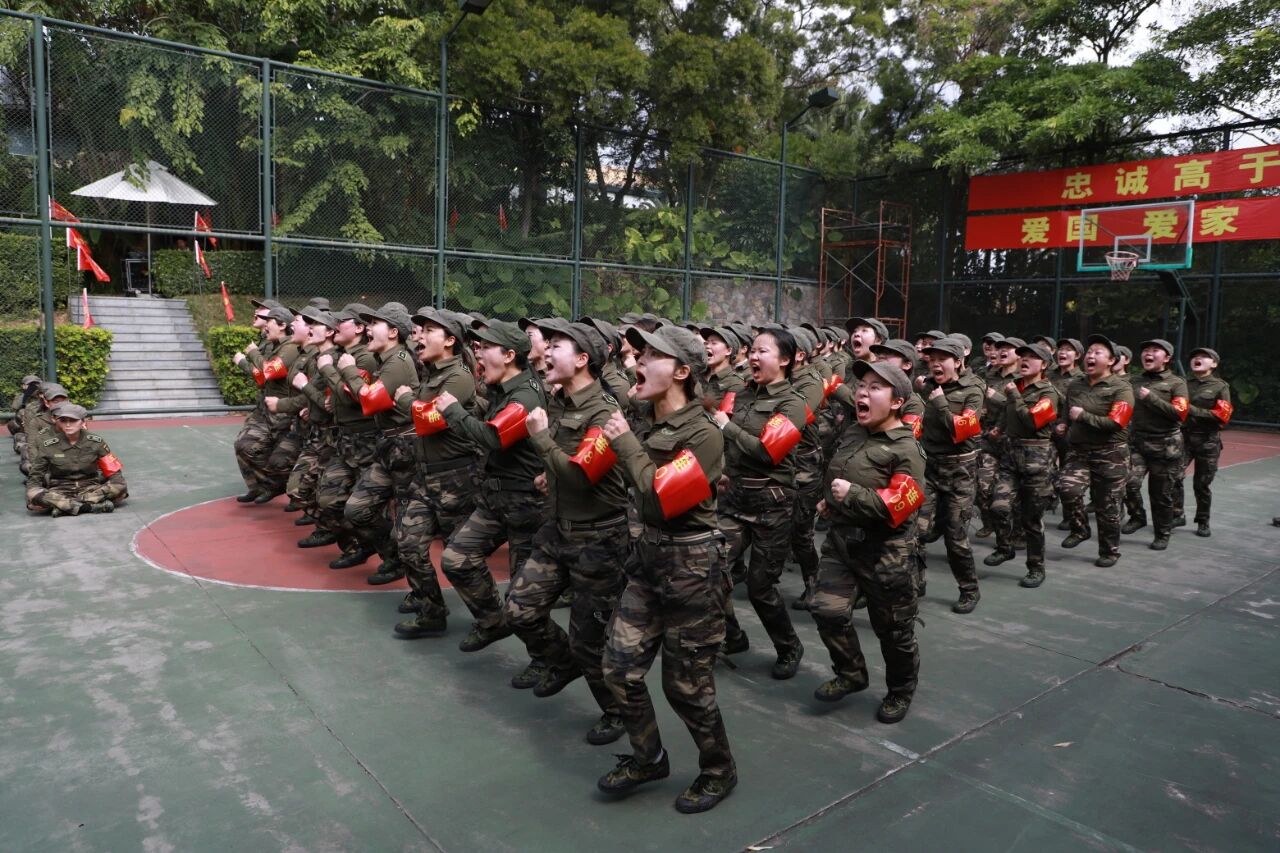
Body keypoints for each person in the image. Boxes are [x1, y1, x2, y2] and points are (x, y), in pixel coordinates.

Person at [598, 324, 736, 813]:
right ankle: (648, 757)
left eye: (651, 356)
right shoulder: (647, 422)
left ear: (681, 371)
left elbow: (661, 497)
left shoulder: (703, 433)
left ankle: (718, 769)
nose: (638, 362)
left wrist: (623, 444)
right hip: (648, 560)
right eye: (639, 355)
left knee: (685, 685)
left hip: (692, 567)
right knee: (619, 668)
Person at [506, 318, 631, 743]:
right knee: (519, 610)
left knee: (589, 641)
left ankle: (616, 711)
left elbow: (580, 475)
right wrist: (550, 474)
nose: (545, 351)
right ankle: (561, 662)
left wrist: (541, 440)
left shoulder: (605, 411)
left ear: (582, 359)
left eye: (556, 345)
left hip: (599, 540)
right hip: (557, 529)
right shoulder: (557, 401)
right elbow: (567, 464)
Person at [811, 360, 926, 723]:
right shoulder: (854, 433)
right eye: (862, 385)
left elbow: (899, 507)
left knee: (893, 630)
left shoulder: (906, 448)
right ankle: (851, 673)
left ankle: (900, 690)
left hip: (886, 553)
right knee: (827, 610)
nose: (862, 392)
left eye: (875, 387)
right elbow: (840, 473)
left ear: (897, 402)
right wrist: (830, 502)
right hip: (842, 542)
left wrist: (852, 495)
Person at [433, 319, 548, 654]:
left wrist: (453, 411)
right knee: (456, 558)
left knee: (522, 600)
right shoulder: (503, 388)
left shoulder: (525, 395)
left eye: (486, 348)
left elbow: (495, 437)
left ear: (509, 355)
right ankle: (492, 621)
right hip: (496, 498)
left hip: (524, 503)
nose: (478, 354)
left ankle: (549, 658)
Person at [713, 327, 808, 679]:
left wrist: (727, 427)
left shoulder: (793, 404)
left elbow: (769, 452)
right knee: (711, 572)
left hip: (771, 504)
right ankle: (733, 636)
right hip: (733, 499)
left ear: (785, 360)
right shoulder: (740, 394)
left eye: (762, 351)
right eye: (752, 350)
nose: (753, 356)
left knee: (760, 587)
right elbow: (728, 445)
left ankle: (789, 646)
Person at [385, 307, 483, 637]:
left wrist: (405, 400)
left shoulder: (459, 377)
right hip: (425, 475)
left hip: (455, 478)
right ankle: (431, 611)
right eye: (421, 330)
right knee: (408, 543)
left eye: (429, 331)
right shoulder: (431, 373)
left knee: (460, 558)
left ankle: (491, 618)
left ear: (450, 340)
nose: (420, 336)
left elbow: (431, 420)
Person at [335, 304, 420, 584]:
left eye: (375, 324)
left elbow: (369, 401)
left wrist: (348, 371)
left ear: (394, 332)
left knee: (407, 523)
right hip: (388, 444)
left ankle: (413, 580)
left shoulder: (397, 361)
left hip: (404, 446)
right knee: (357, 508)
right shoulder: (386, 359)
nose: (369, 329)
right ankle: (391, 556)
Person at [985, 342, 1063, 587]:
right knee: (998, 506)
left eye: (1032, 357)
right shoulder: (1015, 385)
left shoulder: (1049, 393)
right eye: (1023, 356)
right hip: (1010, 455)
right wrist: (1000, 428)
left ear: (1045, 364)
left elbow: (1032, 421)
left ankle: (1036, 567)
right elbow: (1008, 414)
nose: (1025, 360)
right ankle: (1005, 547)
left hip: (1036, 459)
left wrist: (1013, 396)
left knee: (1031, 519)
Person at [916, 336, 984, 613]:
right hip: (929, 467)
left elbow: (963, 430)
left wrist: (941, 403)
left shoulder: (973, 389)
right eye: (931, 359)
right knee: (916, 530)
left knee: (955, 538)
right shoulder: (927, 385)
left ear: (957, 361)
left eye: (941, 359)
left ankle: (969, 589)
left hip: (960, 471)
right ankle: (915, 583)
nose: (935, 364)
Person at [314, 304, 381, 569]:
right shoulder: (345, 356)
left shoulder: (364, 359)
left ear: (359, 328)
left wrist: (328, 370)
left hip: (364, 440)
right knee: (328, 498)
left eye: (341, 321)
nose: (335, 326)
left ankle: (388, 553)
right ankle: (359, 545)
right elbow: (340, 395)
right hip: (345, 439)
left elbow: (354, 398)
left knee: (364, 505)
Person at [1059, 335, 1135, 568]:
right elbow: (1067, 411)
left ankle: (1109, 551)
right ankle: (1080, 529)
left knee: (1107, 506)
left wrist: (1083, 416)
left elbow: (1116, 423)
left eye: (1098, 352)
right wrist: (1063, 424)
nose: (1091, 356)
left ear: (1111, 361)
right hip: (1079, 452)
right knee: (1067, 489)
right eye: (1089, 351)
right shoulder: (1076, 384)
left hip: (1111, 454)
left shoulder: (1122, 388)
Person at [1123, 339, 1190, 550]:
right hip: (1137, 443)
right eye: (1145, 350)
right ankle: (1137, 517)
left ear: (1167, 358)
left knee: (1160, 493)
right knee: (1128, 483)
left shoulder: (1177, 383)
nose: (1148, 353)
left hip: (1165, 446)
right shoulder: (1133, 381)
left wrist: (1151, 398)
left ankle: (1162, 533)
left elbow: (1179, 413)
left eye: (1154, 350)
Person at [232, 305, 301, 504]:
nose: (265, 325)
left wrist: (252, 353)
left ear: (282, 325)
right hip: (267, 409)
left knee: (279, 458)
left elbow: (269, 371)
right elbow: (263, 376)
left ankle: (285, 487)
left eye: (269, 321)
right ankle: (261, 486)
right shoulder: (274, 345)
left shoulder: (290, 347)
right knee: (243, 445)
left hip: (284, 411)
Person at [785, 326, 826, 611]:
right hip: (779, 463)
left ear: (799, 355)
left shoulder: (810, 382)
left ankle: (814, 582)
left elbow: (794, 420)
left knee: (800, 532)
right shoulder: (780, 379)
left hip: (803, 465)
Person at [25, 403, 128, 516]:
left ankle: (64, 507)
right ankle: (88, 507)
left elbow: (114, 473)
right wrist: (34, 493)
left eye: (73, 420)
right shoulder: (48, 446)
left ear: (83, 422)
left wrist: (116, 486)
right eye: (63, 421)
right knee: (32, 494)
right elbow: (35, 477)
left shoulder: (96, 442)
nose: (68, 424)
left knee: (120, 486)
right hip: (59, 491)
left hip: (91, 489)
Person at [975, 336, 1023, 538]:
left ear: (1019, 355)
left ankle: (1018, 531)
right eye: (1001, 347)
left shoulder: (1023, 378)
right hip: (988, 438)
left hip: (1012, 441)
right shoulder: (989, 375)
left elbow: (1019, 408)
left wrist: (994, 397)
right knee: (982, 485)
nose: (1002, 351)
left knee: (1013, 492)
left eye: (1009, 348)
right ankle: (989, 523)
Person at [1182, 347, 1233, 537]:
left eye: (1204, 357)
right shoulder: (1182, 384)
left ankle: (1203, 521)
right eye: (1195, 356)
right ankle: (1176, 514)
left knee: (1201, 484)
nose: (1198, 359)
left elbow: (1222, 416)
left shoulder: (1220, 387)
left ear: (1214, 364)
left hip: (1208, 441)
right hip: (1183, 439)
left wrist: (1191, 410)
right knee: (1172, 477)